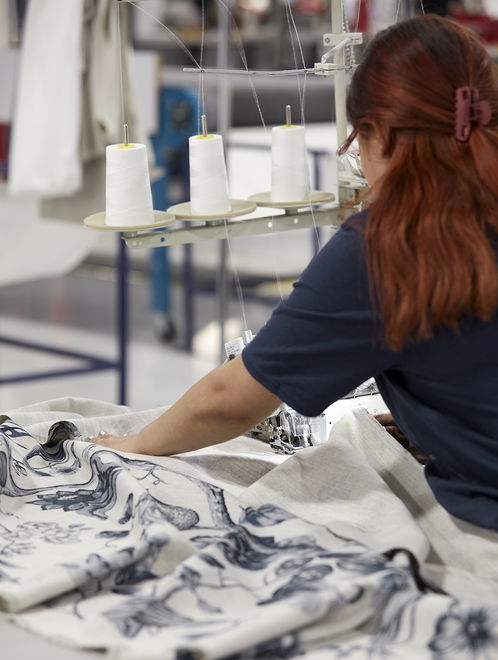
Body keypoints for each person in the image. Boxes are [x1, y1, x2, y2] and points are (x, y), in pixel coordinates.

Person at [94, 15, 498, 533]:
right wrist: (448, 414)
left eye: (355, 139)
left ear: (379, 135)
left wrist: (134, 443)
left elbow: (227, 403)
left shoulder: (390, 245)